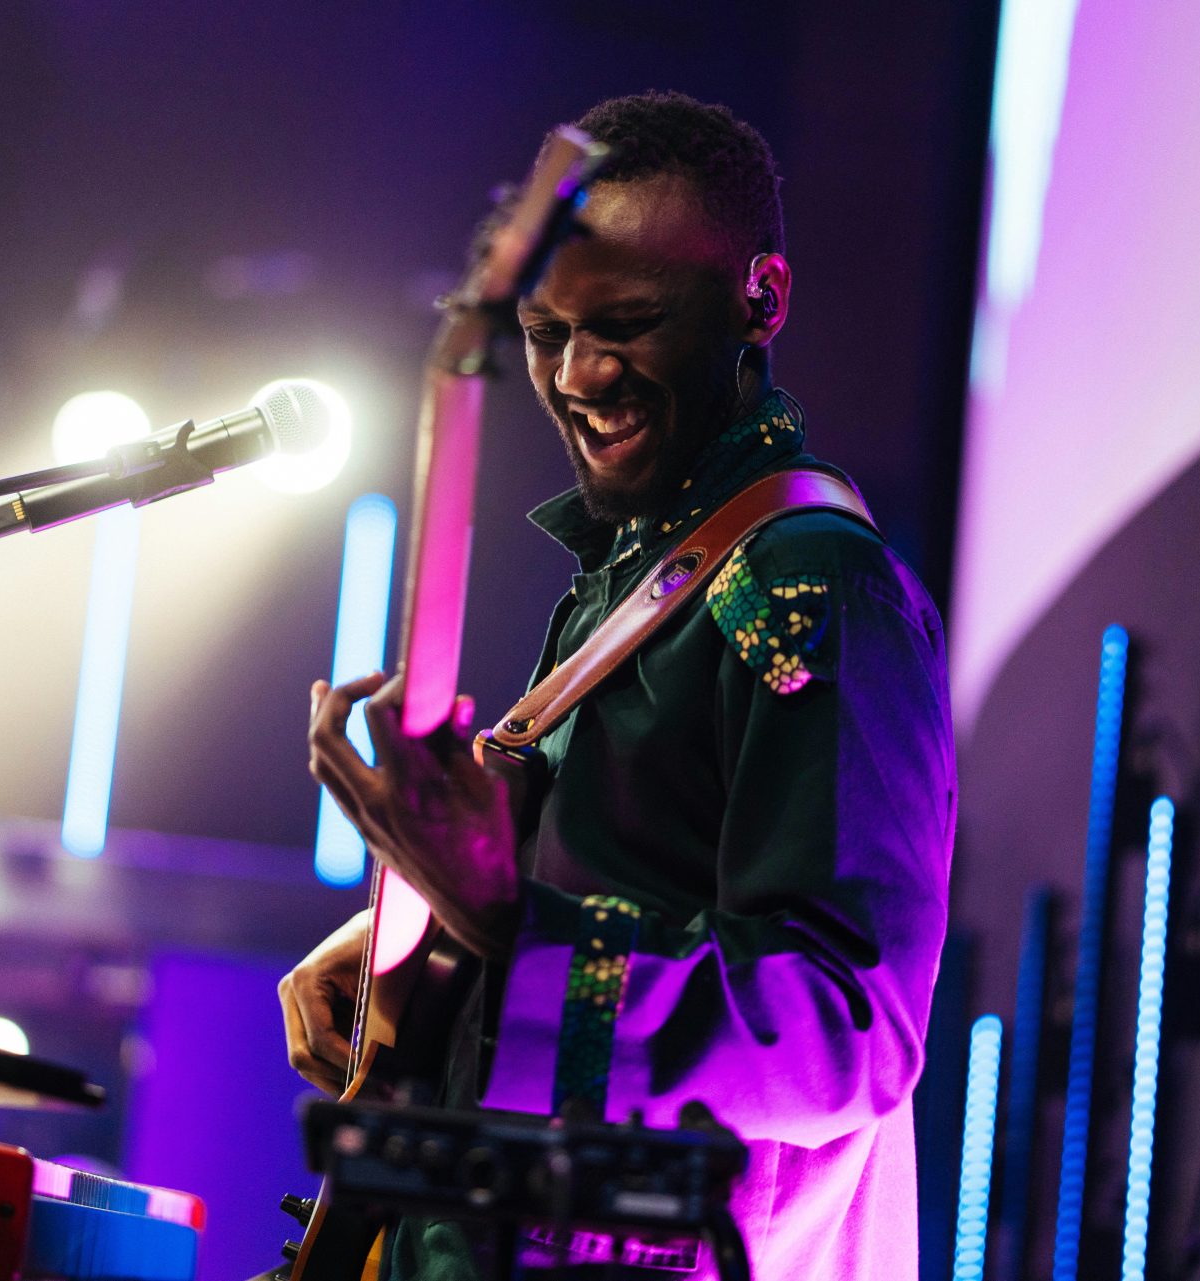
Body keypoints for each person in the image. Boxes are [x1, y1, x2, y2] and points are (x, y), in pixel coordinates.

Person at [288, 91, 955, 1280]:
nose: (581, 375)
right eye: (546, 333)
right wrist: (428, 945)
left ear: (763, 297)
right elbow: (627, 891)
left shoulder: (818, 583)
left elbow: (850, 1030)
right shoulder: (643, 574)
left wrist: (507, 924)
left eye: (632, 325)